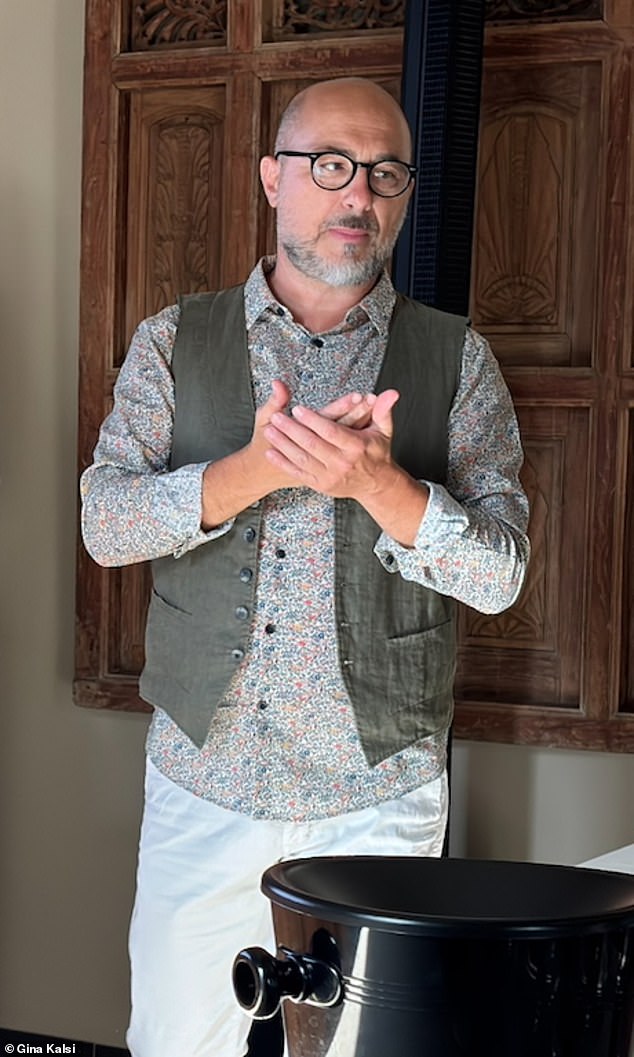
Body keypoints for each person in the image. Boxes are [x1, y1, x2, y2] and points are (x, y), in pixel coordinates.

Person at [80, 77, 530, 1057]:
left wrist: (382, 487)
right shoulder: (173, 340)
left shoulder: (458, 361)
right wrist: (249, 471)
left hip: (379, 798)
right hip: (202, 779)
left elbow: (500, 575)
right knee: (175, 1044)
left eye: (384, 173)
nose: (357, 193)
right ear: (272, 178)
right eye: (330, 165)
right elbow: (104, 523)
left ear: (404, 197)